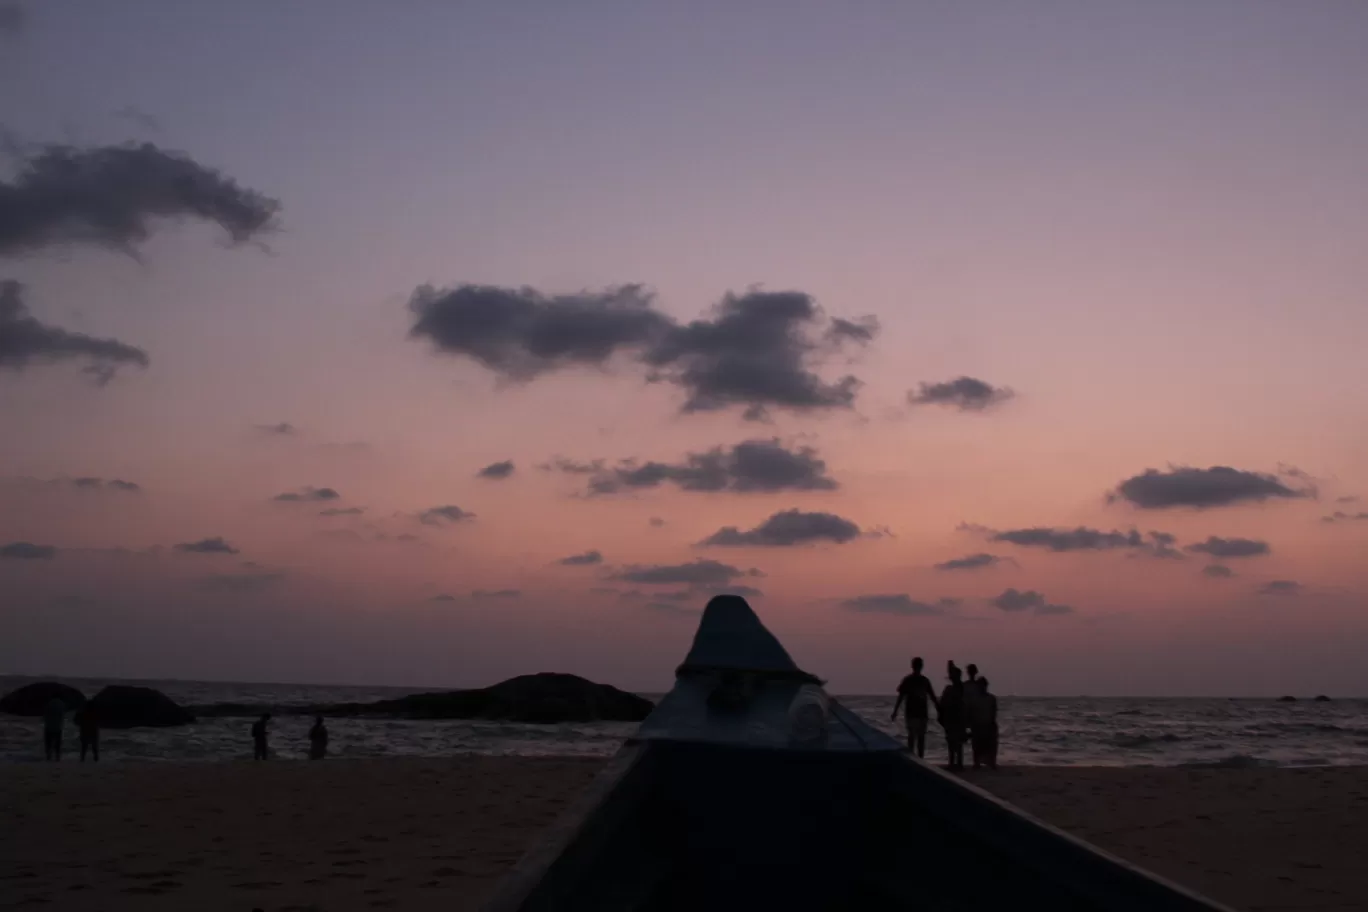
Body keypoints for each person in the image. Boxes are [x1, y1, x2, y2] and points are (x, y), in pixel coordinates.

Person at [890, 657, 940, 758]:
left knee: (918, 737)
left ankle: (918, 758)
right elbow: (901, 696)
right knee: (914, 737)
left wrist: (939, 709)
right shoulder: (910, 680)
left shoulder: (922, 681)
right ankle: (915, 758)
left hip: (920, 713)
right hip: (913, 713)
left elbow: (932, 696)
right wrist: (895, 711)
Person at [938, 664, 967, 771]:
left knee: (956, 742)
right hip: (952, 718)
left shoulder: (958, 689)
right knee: (953, 742)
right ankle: (955, 763)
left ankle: (957, 763)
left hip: (956, 718)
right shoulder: (953, 689)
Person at [971, 677, 999, 770]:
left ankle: (992, 763)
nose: (982, 687)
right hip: (978, 724)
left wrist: (991, 722)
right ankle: (977, 763)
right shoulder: (975, 699)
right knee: (977, 745)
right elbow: (972, 712)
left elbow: (994, 711)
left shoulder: (991, 698)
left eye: (983, 685)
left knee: (991, 745)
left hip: (988, 724)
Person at [42, 697, 66, 761]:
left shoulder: (48, 704)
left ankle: (49, 755)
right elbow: (62, 715)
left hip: (49, 726)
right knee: (58, 742)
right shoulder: (61, 704)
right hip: (58, 726)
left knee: (48, 742)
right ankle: (57, 756)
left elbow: (45, 715)